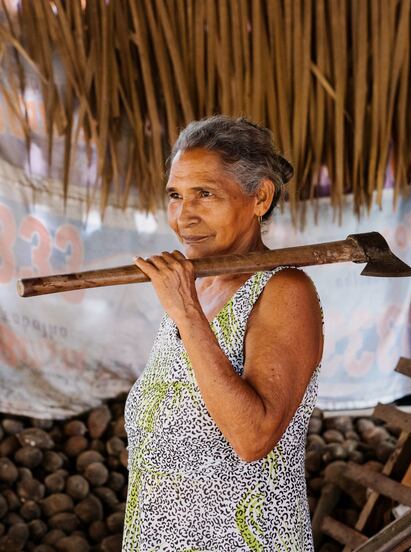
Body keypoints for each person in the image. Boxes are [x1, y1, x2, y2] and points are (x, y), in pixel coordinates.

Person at [122, 115, 324, 551]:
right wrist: (187, 306)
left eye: (205, 194)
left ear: (260, 197)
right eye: (175, 195)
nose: (184, 216)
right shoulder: (194, 289)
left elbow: (254, 438)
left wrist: (187, 314)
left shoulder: (283, 291)